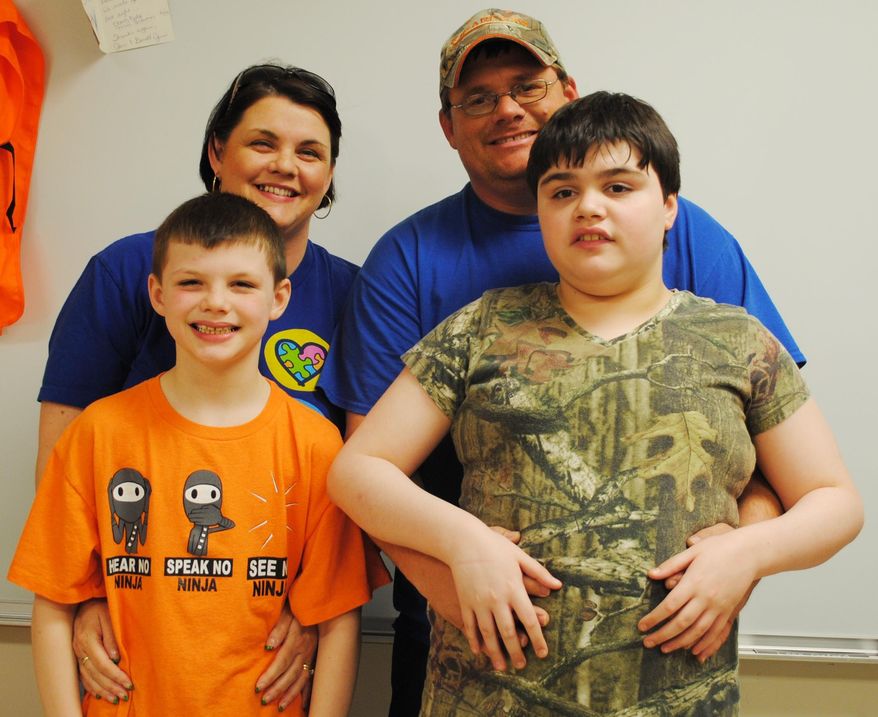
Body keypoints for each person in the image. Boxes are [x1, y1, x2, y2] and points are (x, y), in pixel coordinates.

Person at [320, 9, 805, 714]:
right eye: (477, 98)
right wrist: (452, 580)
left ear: (567, 91)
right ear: (448, 127)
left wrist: (740, 556)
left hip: (666, 657)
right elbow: (368, 468)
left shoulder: (690, 240)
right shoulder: (415, 265)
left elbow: (771, 448)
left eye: (527, 85)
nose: (507, 109)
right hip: (477, 644)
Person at [34, 64, 360, 709]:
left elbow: (359, 467)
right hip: (137, 621)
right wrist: (89, 592)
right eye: (262, 143)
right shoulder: (128, 268)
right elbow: (66, 449)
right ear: (218, 152)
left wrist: (314, 605)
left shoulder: (355, 292)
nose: (285, 167)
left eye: (310, 152)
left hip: (266, 640)